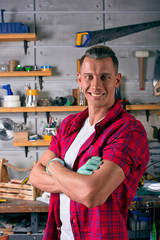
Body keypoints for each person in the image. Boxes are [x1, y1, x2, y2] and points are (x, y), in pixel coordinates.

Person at [29, 45, 149, 240]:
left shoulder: (128, 130)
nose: (96, 86)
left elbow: (92, 195)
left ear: (117, 80)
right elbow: (35, 175)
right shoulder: (70, 125)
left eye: (105, 77)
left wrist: (53, 166)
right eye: (89, 77)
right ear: (79, 79)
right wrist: (77, 180)